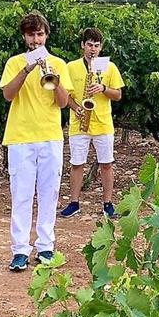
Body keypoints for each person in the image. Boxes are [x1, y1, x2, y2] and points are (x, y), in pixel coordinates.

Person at [0, 11, 73, 272]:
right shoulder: (13, 63)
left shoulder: (59, 64)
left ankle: (45, 246)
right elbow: (8, 95)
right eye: (31, 34)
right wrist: (27, 68)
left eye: (40, 34)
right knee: (21, 194)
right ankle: (20, 250)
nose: (36, 39)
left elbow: (63, 103)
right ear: (24, 36)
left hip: (50, 136)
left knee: (49, 193)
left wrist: (53, 75)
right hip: (20, 137)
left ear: (46, 35)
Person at [60, 27, 125, 219]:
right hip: (79, 123)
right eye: (89, 45)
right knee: (77, 164)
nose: (93, 49)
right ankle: (74, 202)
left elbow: (118, 94)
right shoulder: (71, 67)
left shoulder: (110, 67)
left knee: (107, 164)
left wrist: (103, 88)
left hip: (103, 123)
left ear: (101, 47)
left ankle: (108, 204)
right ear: (82, 45)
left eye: (96, 46)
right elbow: (66, 95)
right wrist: (76, 108)